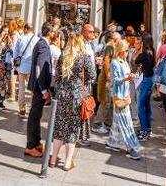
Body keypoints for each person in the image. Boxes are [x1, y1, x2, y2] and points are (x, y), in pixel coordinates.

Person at [49, 32, 97, 170]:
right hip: (76, 96)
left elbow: (57, 77)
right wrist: (81, 84)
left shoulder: (63, 56)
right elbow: (92, 76)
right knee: (73, 129)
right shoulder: (84, 57)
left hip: (62, 96)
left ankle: (52, 160)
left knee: (59, 127)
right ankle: (67, 162)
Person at [106, 40, 143, 160]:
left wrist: (131, 76)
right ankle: (132, 146)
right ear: (122, 50)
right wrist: (127, 77)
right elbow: (115, 80)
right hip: (119, 95)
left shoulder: (124, 62)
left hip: (125, 95)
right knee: (125, 122)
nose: (128, 52)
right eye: (127, 50)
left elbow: (125, 77)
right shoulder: (115, 62)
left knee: (119, 120)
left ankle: (113, 142)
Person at [25, 22, 53, 159]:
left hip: (38, 86)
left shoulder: (41, 43)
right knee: (34, 116)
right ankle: (30, 146)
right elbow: (39, 69)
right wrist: (44, 90)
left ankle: (35, 142)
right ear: (51, 33)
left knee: (36, 115)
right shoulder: (43, 45)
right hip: (38, 87)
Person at [14, 24, 38, 118]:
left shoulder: (21, 38)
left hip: (22, 67)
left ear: (26, 29)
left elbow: (16, 53)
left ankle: (22, 109)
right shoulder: (36, 39)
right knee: (32, 89)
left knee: (21, 88)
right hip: (31, 68)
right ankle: (33, 108)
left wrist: (16, 65)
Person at [134, 33, 155, 140]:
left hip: (146, 80)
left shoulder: (145, 53)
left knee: (141, 106)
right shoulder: (152, 50)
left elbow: (136, 60)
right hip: (150, 79)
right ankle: (147, 129)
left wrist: (140, 49)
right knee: (147, 105)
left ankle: (144, 131)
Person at [93, 43, 115, 135]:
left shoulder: (112, 48)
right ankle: (97, 124)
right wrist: (109, 77)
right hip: (106, 80)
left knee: (109, 103)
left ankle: (107, 124)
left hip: (108, 79)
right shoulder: (110, 48)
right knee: (105, 102)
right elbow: (106, 61)